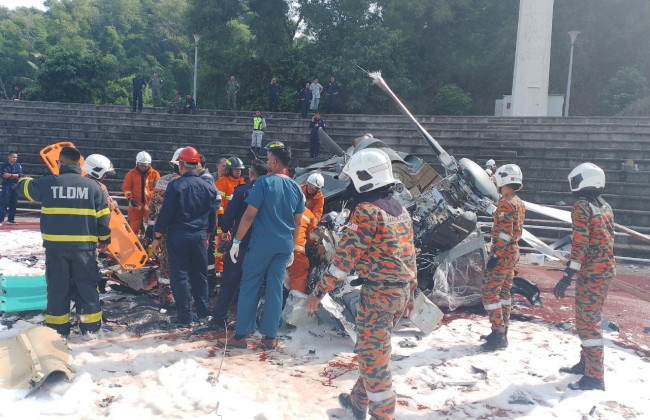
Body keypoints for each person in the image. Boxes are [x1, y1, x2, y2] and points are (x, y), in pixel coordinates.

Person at [305, 148, 417, 420]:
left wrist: (319, 292)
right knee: (375, 350)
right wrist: (411, 295)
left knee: (373, 358)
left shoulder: (366, 211)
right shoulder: (399, 209)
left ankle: (383, 414)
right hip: (399, 293)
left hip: (379, 294)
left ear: (365, 179)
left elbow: (343, 261)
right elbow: (409, 254)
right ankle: (357, 401)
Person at [18, 146, 111, 337]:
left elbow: (24, 187)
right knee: (87, 286)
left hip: (56, 249)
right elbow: (103, 219)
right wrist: (104, 241)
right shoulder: (93, 187)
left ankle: (58, 330)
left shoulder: (48, 183)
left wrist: (23, 177)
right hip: (84, 249)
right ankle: (90, 329)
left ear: (60, 163)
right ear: (80, 164)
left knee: (57, 288)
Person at [220, 141, 304, 350]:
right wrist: (292, 247)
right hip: (284, 246)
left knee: (250, 286)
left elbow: (249, 216)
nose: (266, 162)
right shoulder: (295, 187)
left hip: (262, 245)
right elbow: (298, 222)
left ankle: (241, 337)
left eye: (267, 158)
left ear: (275, 161)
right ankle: (270, 338)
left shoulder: (264, 183)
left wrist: (236, 242)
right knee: (275, 289)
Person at [553, 163, 615, 391]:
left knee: (588, 323)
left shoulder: (581, 206)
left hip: (592, 272)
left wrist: (567, 275)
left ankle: (594, 377)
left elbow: (581, 243)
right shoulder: (605, 206)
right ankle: (586, 363)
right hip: (604, 270)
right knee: (588, 318)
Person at [152, 146, 219, 327]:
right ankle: (204, 313)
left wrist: (157, 236)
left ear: (181, 165)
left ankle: (185, 317)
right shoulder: (208, 187)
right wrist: (208, 233)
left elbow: (165, 214)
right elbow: (213, 215)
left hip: (178, 236)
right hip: (199, 236)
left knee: (179, 276)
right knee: (200, 275)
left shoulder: (175, 186)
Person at [209, 159, 266, 329]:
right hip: (264, 244)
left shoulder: (242, 191)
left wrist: (225, 228)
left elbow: (229, 215)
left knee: (230, 280)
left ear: (251, 173)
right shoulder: (272, 191)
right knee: (258, 284)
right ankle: (254, 321)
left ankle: (220, 318)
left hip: (242, 242)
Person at [480, 164, 525, 352]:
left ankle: (498, 333)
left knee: (489, 292)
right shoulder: (519, 202)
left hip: (504, 252)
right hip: (513, 251)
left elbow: (505, 234)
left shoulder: (506, 203)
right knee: (504, 293)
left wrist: (495, 255)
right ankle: (502, 331)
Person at [145, 147, 185, 300]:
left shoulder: (162, 181)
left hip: (164, 232)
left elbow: (154, 206)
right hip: (185, 231)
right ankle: (184, 297)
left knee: (166, 265)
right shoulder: (194, 181)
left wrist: (151, 228)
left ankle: (166, 297)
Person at [214, 156, 246, 273]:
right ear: (229, 170)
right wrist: (222, 222)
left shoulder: (242, 182)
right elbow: (219, 203)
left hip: (236, 222)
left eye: (240, 169)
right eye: (236, 169)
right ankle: (219, 272)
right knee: (220, 248)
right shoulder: (222, 182)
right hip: (223, 222)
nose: (239, 171)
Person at [122, 151, 160, 235]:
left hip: (150, 205)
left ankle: (149, 243)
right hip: (135, 204)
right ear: (137, 164)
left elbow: (158, 189)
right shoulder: (131, 174)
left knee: (151, 226)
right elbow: (126, 187)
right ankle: (134, 244)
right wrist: (130, 199)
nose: (143, 167)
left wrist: (155, 201)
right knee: (133, 228)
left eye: (145, 165)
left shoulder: (155, 174)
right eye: (141, 165)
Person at [287, 205, 316, 293]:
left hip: (272, 246)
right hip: (295, 250)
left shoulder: (282, 206)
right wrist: (312, 244)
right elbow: (312, 236)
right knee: (299, 272)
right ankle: (296, 301)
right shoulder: (309, 214)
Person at [0, 152, 23, 226]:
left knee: (13, 203)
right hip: (7, 185)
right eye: (13, 157)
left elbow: (20, 175)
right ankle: (0, 219)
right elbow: (4, 175)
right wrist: (14, 175)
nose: (15, 159)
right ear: (9, 157)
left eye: (16, 157)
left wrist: (11, 175)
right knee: (4, 202)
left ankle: (11, 219)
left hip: (15, 185)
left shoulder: (18, 165)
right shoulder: (4, 165)